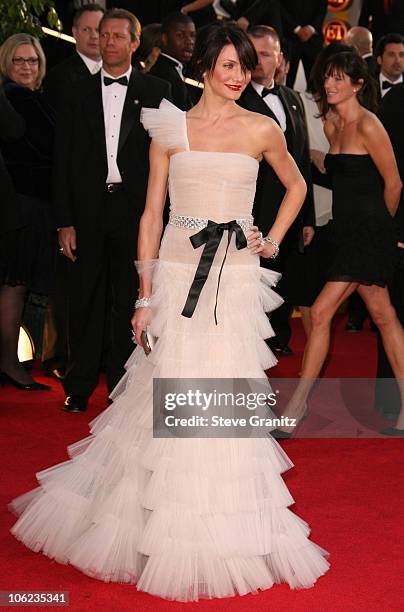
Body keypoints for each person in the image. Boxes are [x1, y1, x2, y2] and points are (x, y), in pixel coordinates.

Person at [8, 22, 329, 601]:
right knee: (167, 397)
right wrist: (145, 293)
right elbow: (151, 216)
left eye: (245, 66)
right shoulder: (168, 126)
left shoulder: (261, 128)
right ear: (205, 66)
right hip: (178, 278)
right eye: (228, 65)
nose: (238, 76)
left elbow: (297, 186)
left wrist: (272, 239)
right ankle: (152, 525)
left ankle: (218, 526)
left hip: (233, 281)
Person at [275, 51, 404, 438]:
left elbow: (394, 184)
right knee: (383, 317)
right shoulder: (333, 124)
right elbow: (344, 177)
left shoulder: (370, 125)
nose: (329, 85)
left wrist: (382, 232)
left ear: (358, 84)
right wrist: (315, 159)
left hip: (369, 234)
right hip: (345, 233)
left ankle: (296, 408)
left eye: (338, 79)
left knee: (319, 313)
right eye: (326, 78)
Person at [54, 8, 171, 413]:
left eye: (119, 36)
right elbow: (62, 159)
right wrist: (64, 220)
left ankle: (122, 386)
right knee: (84, 297)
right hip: (87, 211)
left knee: (129, 298)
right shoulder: (75, 91)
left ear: (136, 43)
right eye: (104, 36)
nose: (109, 43)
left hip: (137, 211)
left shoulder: (158, 90)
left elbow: (173, 156)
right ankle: (79, 384)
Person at [238, 25, 315, 354]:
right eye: (252, 54)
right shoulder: (237, 99)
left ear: (280, 59)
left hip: (291, 211)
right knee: (253, 285)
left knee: (286, 279)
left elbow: (303, 163)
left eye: (266, 54)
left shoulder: (293, 99)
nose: (258, 60)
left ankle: (278, 338)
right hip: (253, 211)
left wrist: (307, 217)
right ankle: (254, 345)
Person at [0, 34, 55, 391]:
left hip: (26, 203)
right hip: (18, 205)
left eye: (32, 60)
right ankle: (8, 363)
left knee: (12, 286)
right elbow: (51, 144)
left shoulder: (32, 98)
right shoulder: (16, 97)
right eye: (18, 60)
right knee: (12, 286)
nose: (26, 67)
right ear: (6, 63)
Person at [374, 82, 404, 424]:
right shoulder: (395, 100)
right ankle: (391, 402)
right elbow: (388, 174)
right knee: (393, 311)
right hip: (397, 230)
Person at [43, 3, 105, 111]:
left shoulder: (121, 73)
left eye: (98, 30)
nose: (94, 36)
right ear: (75, 32)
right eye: (86, 30)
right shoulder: (58, 77)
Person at [149, 12, 196, 110]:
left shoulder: (178, 69)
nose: (189, 41)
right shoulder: (162, 73)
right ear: (164, 38)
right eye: (180, 35)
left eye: (192, 35)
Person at [280, 0, 328, 89]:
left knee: (316, 80)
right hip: (290, 39)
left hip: (313, 41)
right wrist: (297, 29)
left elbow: (322, 8)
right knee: (287, 80)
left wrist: (311, 28)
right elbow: (281, 8)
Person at [375, 33, 404, 100]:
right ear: (379, 59)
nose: (398, 60)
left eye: (402, 55)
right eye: (391, 55)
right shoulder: (366, 87)